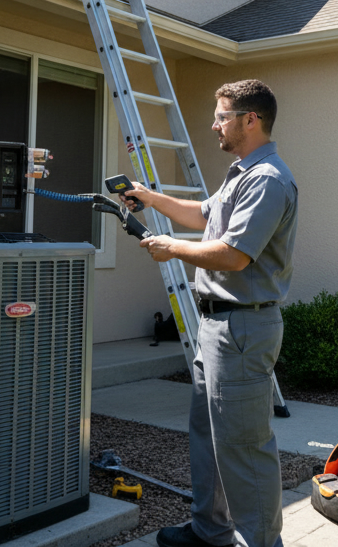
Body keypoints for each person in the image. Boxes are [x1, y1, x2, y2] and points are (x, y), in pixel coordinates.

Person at [121, 79, 298, 547]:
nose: (214, 124)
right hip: (218, 326)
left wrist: (171, 248)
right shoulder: (241, 172)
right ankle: (210, 531)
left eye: (221, 116)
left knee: (243, 447)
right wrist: (151, 198)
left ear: (250, 120)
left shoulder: (267, 180)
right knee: (210, 437)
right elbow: (204, 214)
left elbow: (234, 255)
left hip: (243, 326)